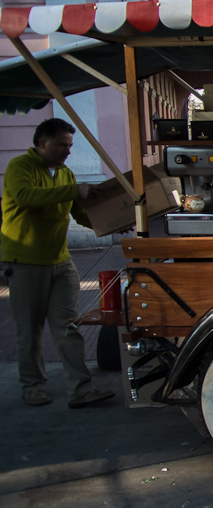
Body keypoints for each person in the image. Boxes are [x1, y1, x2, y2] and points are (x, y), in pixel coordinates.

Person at [1, 118, 115, 408]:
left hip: (61, 261)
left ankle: (80, 389)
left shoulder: (64, 173)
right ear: (42, 143)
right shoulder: (19, 167)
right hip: (25, 261)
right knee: (30, 330)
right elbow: (27, 198)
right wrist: (75, 190)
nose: (67, 151)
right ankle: (32, 386)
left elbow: (79, 213)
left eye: (70, 146)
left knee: (69, 326)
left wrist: (112, 223)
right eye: (62, 145)